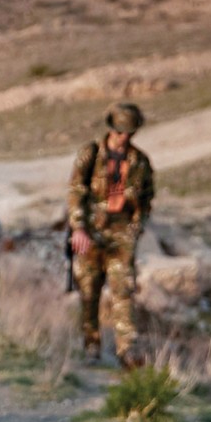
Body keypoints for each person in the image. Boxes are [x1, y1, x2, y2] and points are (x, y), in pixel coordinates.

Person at [67, 102, 157, 368]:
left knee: (123, 290)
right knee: (88, 290)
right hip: (91, 233)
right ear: (111, 129)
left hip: (122, 236)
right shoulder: (90, 154)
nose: (123, 138)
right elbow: (75, 192)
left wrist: (136, 227)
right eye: (119, 132)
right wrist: (78, 228)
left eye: (129, 133)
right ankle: (91, 345)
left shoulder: (139, 162)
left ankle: (127, 350)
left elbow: (147, 197)